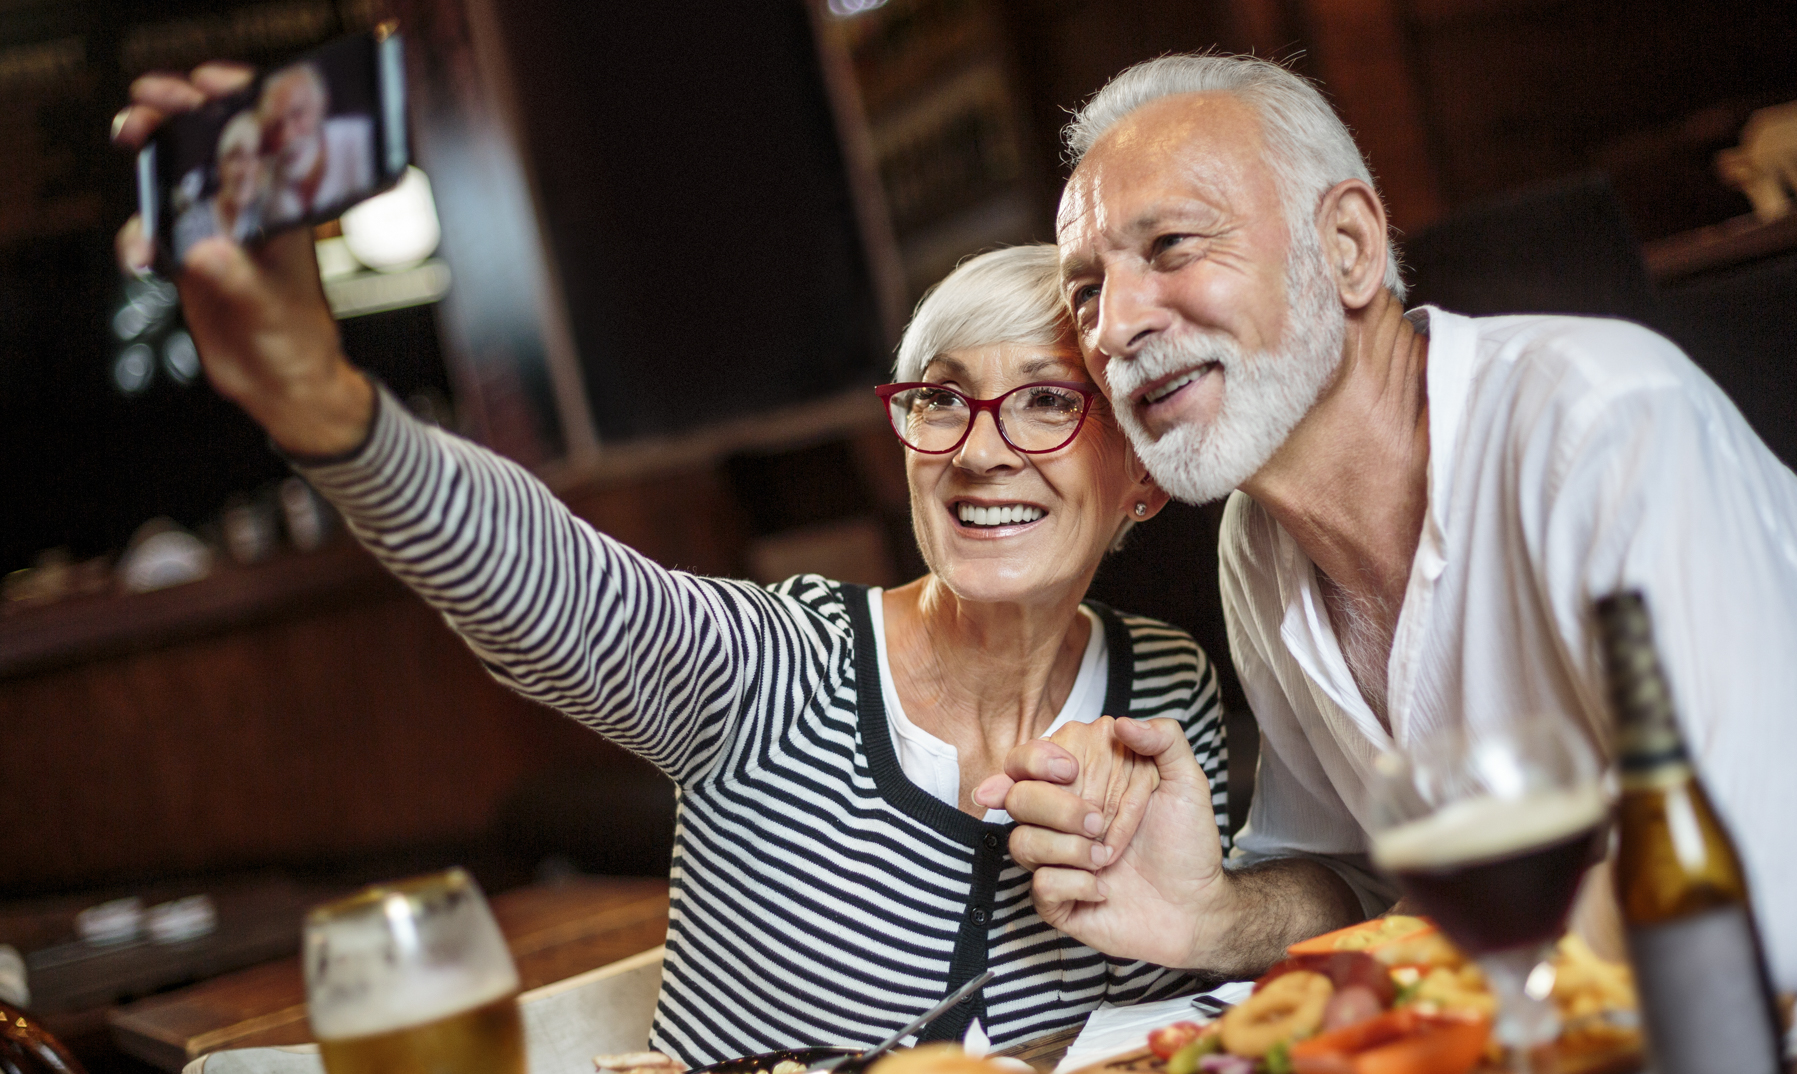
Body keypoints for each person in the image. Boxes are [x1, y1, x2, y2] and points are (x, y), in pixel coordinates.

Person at [115, 66, 1230, 1063]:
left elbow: (1221, 984)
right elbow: (547, 582)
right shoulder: (776, 671)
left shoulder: (1169, 693)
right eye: (940, 399)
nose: (979, 450)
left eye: (1044, 402)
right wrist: (323, 403)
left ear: (1139, 472)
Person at [983, 54, 1797, 1017]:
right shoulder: (1259, 541)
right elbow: (1372, 883)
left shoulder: (1605, 426)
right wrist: (1213, 913)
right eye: (1085, 290)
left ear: (1347, 248)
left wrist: (1428, 1003)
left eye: (1171, 247)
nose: (1112, 326)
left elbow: (1756, 909)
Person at [258, 60, 373, 223]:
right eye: (276, 125)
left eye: (297, 114)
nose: (286, 136)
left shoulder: (362, 140)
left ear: (321, 105)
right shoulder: (268, 186)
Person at [173, 110, 266, 256]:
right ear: (219, 166)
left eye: (255, 158)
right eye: (237, 157)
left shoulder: (264, 220)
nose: (245, 171)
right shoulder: (191, 225)